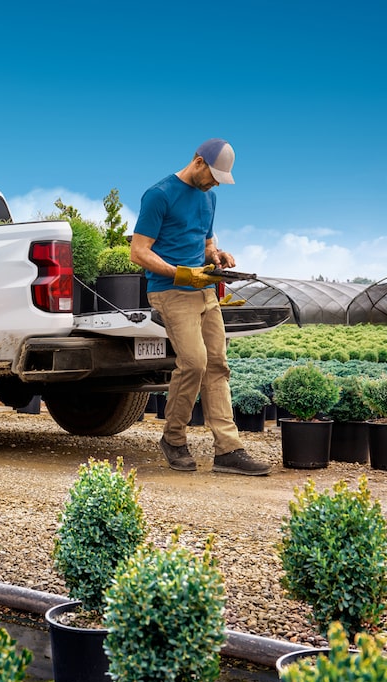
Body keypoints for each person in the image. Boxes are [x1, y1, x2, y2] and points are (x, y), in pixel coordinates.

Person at [129, 138, 271, 476]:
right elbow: (139, 251)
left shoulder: (210, 197)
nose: (216, 183)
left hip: (205, 291)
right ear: (198, 162)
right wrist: (181, 273)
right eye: (214, 176)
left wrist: (217, 256)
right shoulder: (159, 195)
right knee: (194, 363)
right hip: (170, 291)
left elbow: (206, 242)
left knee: (217, 365)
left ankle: (228, 450)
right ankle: (173, 438)